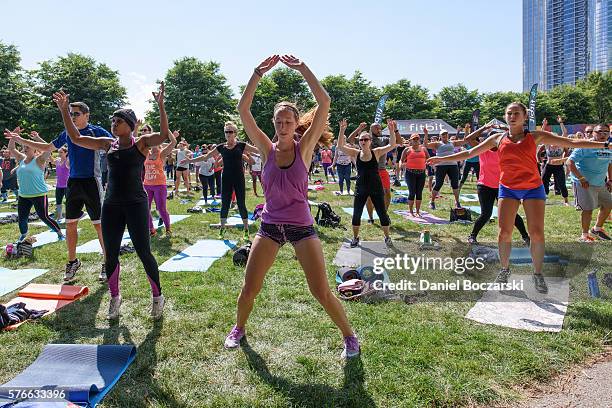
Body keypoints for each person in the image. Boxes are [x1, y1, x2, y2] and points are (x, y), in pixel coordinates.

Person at [226, 55, 359, 359]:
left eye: (288, 122)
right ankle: (239, 328)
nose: (284, 126)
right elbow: (243, 110)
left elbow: (324, 102)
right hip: (270, 226)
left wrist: (302, 69)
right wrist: (257, 74)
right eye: (279, 122)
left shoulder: (305, 147)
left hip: (301, 226)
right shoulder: (265, 147)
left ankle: (350, 336)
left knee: (321, 291)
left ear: (295, 124)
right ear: (273, 124)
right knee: (249, 289)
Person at [427, 102, 610, 294]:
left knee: (536, 233)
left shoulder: (536, 136)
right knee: (504, 233)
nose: (512, 116)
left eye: (516, 113)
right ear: (505, 117)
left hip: (533, 189)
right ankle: (504, 270)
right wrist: (442, 159)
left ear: (524, 117)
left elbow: (572, 143)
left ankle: (537, 274)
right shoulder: (497, 138)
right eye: (509, 113)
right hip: (508, 189)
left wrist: (605, 144)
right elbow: (470, 152)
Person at [52, 83, 170, 319]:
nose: (113, 125)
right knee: (111, 254)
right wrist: (64, 110)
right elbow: (75, 138)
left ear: (131, 125)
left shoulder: (142, 143)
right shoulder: (107, 144)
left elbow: (165, 135)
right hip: (112, 205)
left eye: (118, 121)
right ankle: (115, 297)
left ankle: (157, 296)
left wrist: (161, 106)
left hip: (136, 204)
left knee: (143, 251)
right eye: (112, 121)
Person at [5, 102, 111, 282]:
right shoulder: (67, 133)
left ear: (87, 115)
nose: (72, 117)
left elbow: (117, 146)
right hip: (74, 183)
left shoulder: (97, 131)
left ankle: (107, 262)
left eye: (76, 114)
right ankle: (72, 262)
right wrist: (20, 139)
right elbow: (47, 148)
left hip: (92, 182)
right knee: (70, 224)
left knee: (99, 225)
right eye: (70, 114)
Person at [456, 125, 531, 245]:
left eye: (495, 140)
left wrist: (506, 128)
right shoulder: (483, 150)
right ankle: (472, 236)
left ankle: (526, 237)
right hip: (484, 186)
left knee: (511, 213)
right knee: (486, 214)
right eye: (490, 140)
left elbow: (521, 137)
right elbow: (469, 139)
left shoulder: (505, 149)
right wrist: (484, 128)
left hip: (503, 187)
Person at [339, 118, 397, 247]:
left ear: (370, 141)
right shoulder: (355, 153)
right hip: (361, 188)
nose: (364, 141)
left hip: (376, 187)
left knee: (382, 213)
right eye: (361, 140)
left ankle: (387, 237)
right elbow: (340, 146)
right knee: (357, 213)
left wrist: (392, 131)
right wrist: (342, 130)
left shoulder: (376, 152)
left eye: (366, 139)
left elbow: (392, 145)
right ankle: (355, 237)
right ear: (359, 142)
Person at [3, 130, 63, 242]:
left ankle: (59, 233)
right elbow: (11, 148)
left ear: (35, 149)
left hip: (39, 194)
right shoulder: (21, 158)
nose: (25, 149)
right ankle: (23, 235)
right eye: (24, 147)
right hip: (23, 195)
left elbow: (49, 149)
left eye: (28, 147)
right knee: (22, 218)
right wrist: (13, 136)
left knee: (44, 217)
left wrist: (37, 139)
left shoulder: (39, 160)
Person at [567, 123, 611, 241]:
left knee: (609, 204)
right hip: (584, 183)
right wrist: (581, 178)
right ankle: (584, 235)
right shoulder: (585, 146)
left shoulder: (609, 146)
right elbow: (569, 162)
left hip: (600, 183)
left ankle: (597, 229)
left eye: (606, 132)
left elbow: (610, 163)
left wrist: (610, 179)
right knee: (588, 209)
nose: (603, 134)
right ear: (593, 133)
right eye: (599, 132)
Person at [349, 122, 393, 222]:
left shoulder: (384, 139)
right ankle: (371, 217)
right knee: (368, 196)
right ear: (371, 129)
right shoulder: (364, 138)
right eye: (377, 128)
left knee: (387, 193)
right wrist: (358, 128)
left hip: (382, 169)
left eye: (380, 128)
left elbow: (396, 142)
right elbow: (350, 140)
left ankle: (384, 214)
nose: (379, 129)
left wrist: (394, 130)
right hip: (368, 170)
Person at [144, 125, 178, 237]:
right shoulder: (146, 153)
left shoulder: (162, 153)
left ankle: (168, 228)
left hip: (159, 185)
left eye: (156, 141)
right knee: (145, 208)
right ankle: (151, 229)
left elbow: (173, 142)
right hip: (147, 185)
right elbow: (133, 143)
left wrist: (166, 128)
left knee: (161, 208)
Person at [424, 129, 469, 209]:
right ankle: (432, 201)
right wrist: (426, 134)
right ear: (440, 136)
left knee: (455, 184)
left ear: (447, 135)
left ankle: (457, 202)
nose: (444, 135)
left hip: (453, 165)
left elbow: (464, 141)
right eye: (443, 134)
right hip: (441, 165)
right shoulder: (437, 144)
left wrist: (466, 131)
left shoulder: (452, 142)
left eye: (445, 134)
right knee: (438, 184)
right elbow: (426, 145)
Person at [538, 117, 569, 205]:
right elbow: (542, 133)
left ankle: (566, 200)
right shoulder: (547, 145)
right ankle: (544, 197)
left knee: (562, 184)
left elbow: (565, 133)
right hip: (548, 166)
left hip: (559, 167)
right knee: (543, 181)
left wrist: (561, 123)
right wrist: (544, 125)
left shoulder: (561, 144)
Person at [399, 133, 429, 216]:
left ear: (419, 140)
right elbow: (401, 160)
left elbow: (429, 158)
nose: (415, 141)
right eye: (414, 139)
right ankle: (411, 211)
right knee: (412, 192)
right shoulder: (407, 149)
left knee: (419, 193)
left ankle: (418, 211)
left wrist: (432, 165)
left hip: (421, 173)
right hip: (410, 173)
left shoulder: (424, 149)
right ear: (411, 140)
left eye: (417, 139)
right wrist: (401, 164)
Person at [54, 146, 69, 220]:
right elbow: (49, 155)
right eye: (58, 152)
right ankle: (60, 216)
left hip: (67, 185)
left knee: (68, 201)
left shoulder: (67, 161)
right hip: (59, 185)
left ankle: (70, 215)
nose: (59, 154)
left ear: (66, 153)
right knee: (58, 201)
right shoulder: (57, 160)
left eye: (61, 152)